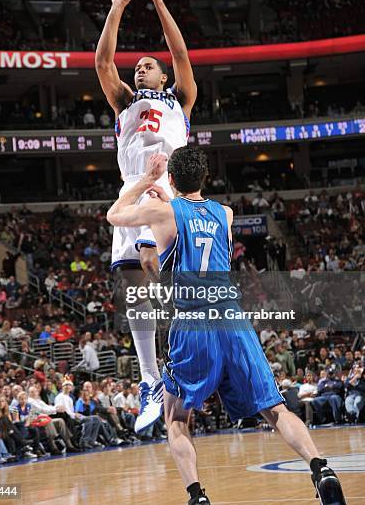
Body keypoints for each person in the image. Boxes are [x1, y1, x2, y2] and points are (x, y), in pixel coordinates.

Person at [107, 148, 347, 505]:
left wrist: (146, 181)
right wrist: (170, 196)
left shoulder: (163, 211)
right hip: (232, 318)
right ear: (204, 179)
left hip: (191, 323)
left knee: (176, 418)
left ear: (170, 179)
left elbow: (114, 215)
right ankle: (321, 468)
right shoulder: (227, 214)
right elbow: (196, 220)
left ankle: (197, 496)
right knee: (275, 409)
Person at [95, 0, 197, 432]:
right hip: (133, 192)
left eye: (149, 66)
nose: (142, 68)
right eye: (138, 66)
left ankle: (180, 364)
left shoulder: (180, 97)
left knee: (165, 284)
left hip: (168, 194)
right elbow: (102, 60)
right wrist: (117, 6)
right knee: (138, 292)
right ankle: (151, 381)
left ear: (162, 79)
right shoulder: (123, 102)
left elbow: (179, 54)